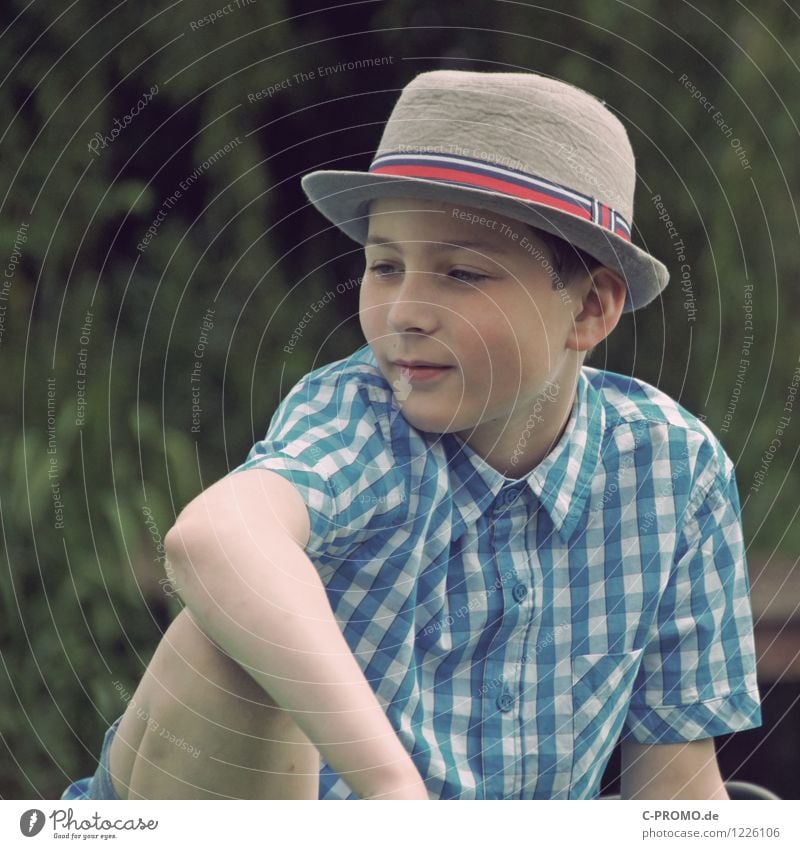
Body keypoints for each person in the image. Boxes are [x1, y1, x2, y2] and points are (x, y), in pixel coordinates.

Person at [61, 69, 761, 801]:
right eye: (385, 265)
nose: (405, 311)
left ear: (589, 307)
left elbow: (676, 791)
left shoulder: (673, 470)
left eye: (462, 272)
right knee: (232, 638)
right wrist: (396, 793)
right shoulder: (356, 420)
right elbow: (210, 538)